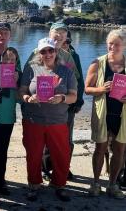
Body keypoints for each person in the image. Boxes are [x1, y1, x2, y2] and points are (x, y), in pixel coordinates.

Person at [19, 37, 77, 202]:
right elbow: (22, 90)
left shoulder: (67, 71)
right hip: (33, 120)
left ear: (56, 51)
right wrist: (27, 98)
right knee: (33, 155)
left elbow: (73, 96)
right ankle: (34, 184)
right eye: (44, 51)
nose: (48, 54)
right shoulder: (31, 68)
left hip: (58, 121)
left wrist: (62, 98)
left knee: (61, 155)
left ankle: (59, 184)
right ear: (39, 53)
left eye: (51, 50)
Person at [85, 29, 126, 199]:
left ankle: (112, 185)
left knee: (120, 150)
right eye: (110, 43)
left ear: (123, 45)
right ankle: (95, 183)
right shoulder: (97, 63)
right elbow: (87, 89)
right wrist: (102, 89)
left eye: (117, 44)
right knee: (100, 148)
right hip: (103, 113)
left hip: (122, 115)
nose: (113, 47)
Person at [0, 47, 21, 195]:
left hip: (8, 119)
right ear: (1, 59)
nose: (9, 61)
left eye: (12, 59)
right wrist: (0, 84)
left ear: (16, 61)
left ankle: (1, 181)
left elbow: (20, 100)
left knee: (2, 151)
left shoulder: (19, 74)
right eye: (6, 58)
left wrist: (16, 83)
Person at [61, 30, 84, 179]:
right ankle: (47, 167)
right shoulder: (49, 53)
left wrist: (79, 100)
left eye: (67, 41)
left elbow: (80, 79)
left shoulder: (74, 56)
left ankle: (65, 168)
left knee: (67, 139)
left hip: (69, 105)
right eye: (61, 41)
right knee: (49, 140)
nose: (64, 44)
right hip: (52, 106)